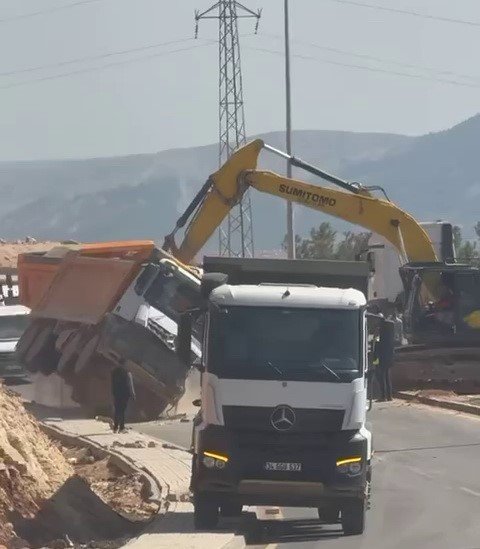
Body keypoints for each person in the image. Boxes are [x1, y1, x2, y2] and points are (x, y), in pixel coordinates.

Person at [111, 358, 136, 433]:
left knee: (117, 410)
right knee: (122, 411)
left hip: (116, 394)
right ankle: (121, 428)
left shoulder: (113, 372)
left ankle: (115, 427)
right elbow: (130, 384)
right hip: (125, 394)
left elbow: (112, 384)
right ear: (124, 364)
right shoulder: (127, 373)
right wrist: (133, 394)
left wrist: (113, 393)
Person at [376, 318, 394, 402]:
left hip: (381, 358)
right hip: (389, 359)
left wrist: (375, 361)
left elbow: (376, 348)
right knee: (387, 377)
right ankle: (389, 396)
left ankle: (383, 396)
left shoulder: (380, 336)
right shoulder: (390, 337)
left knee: (381, 377)